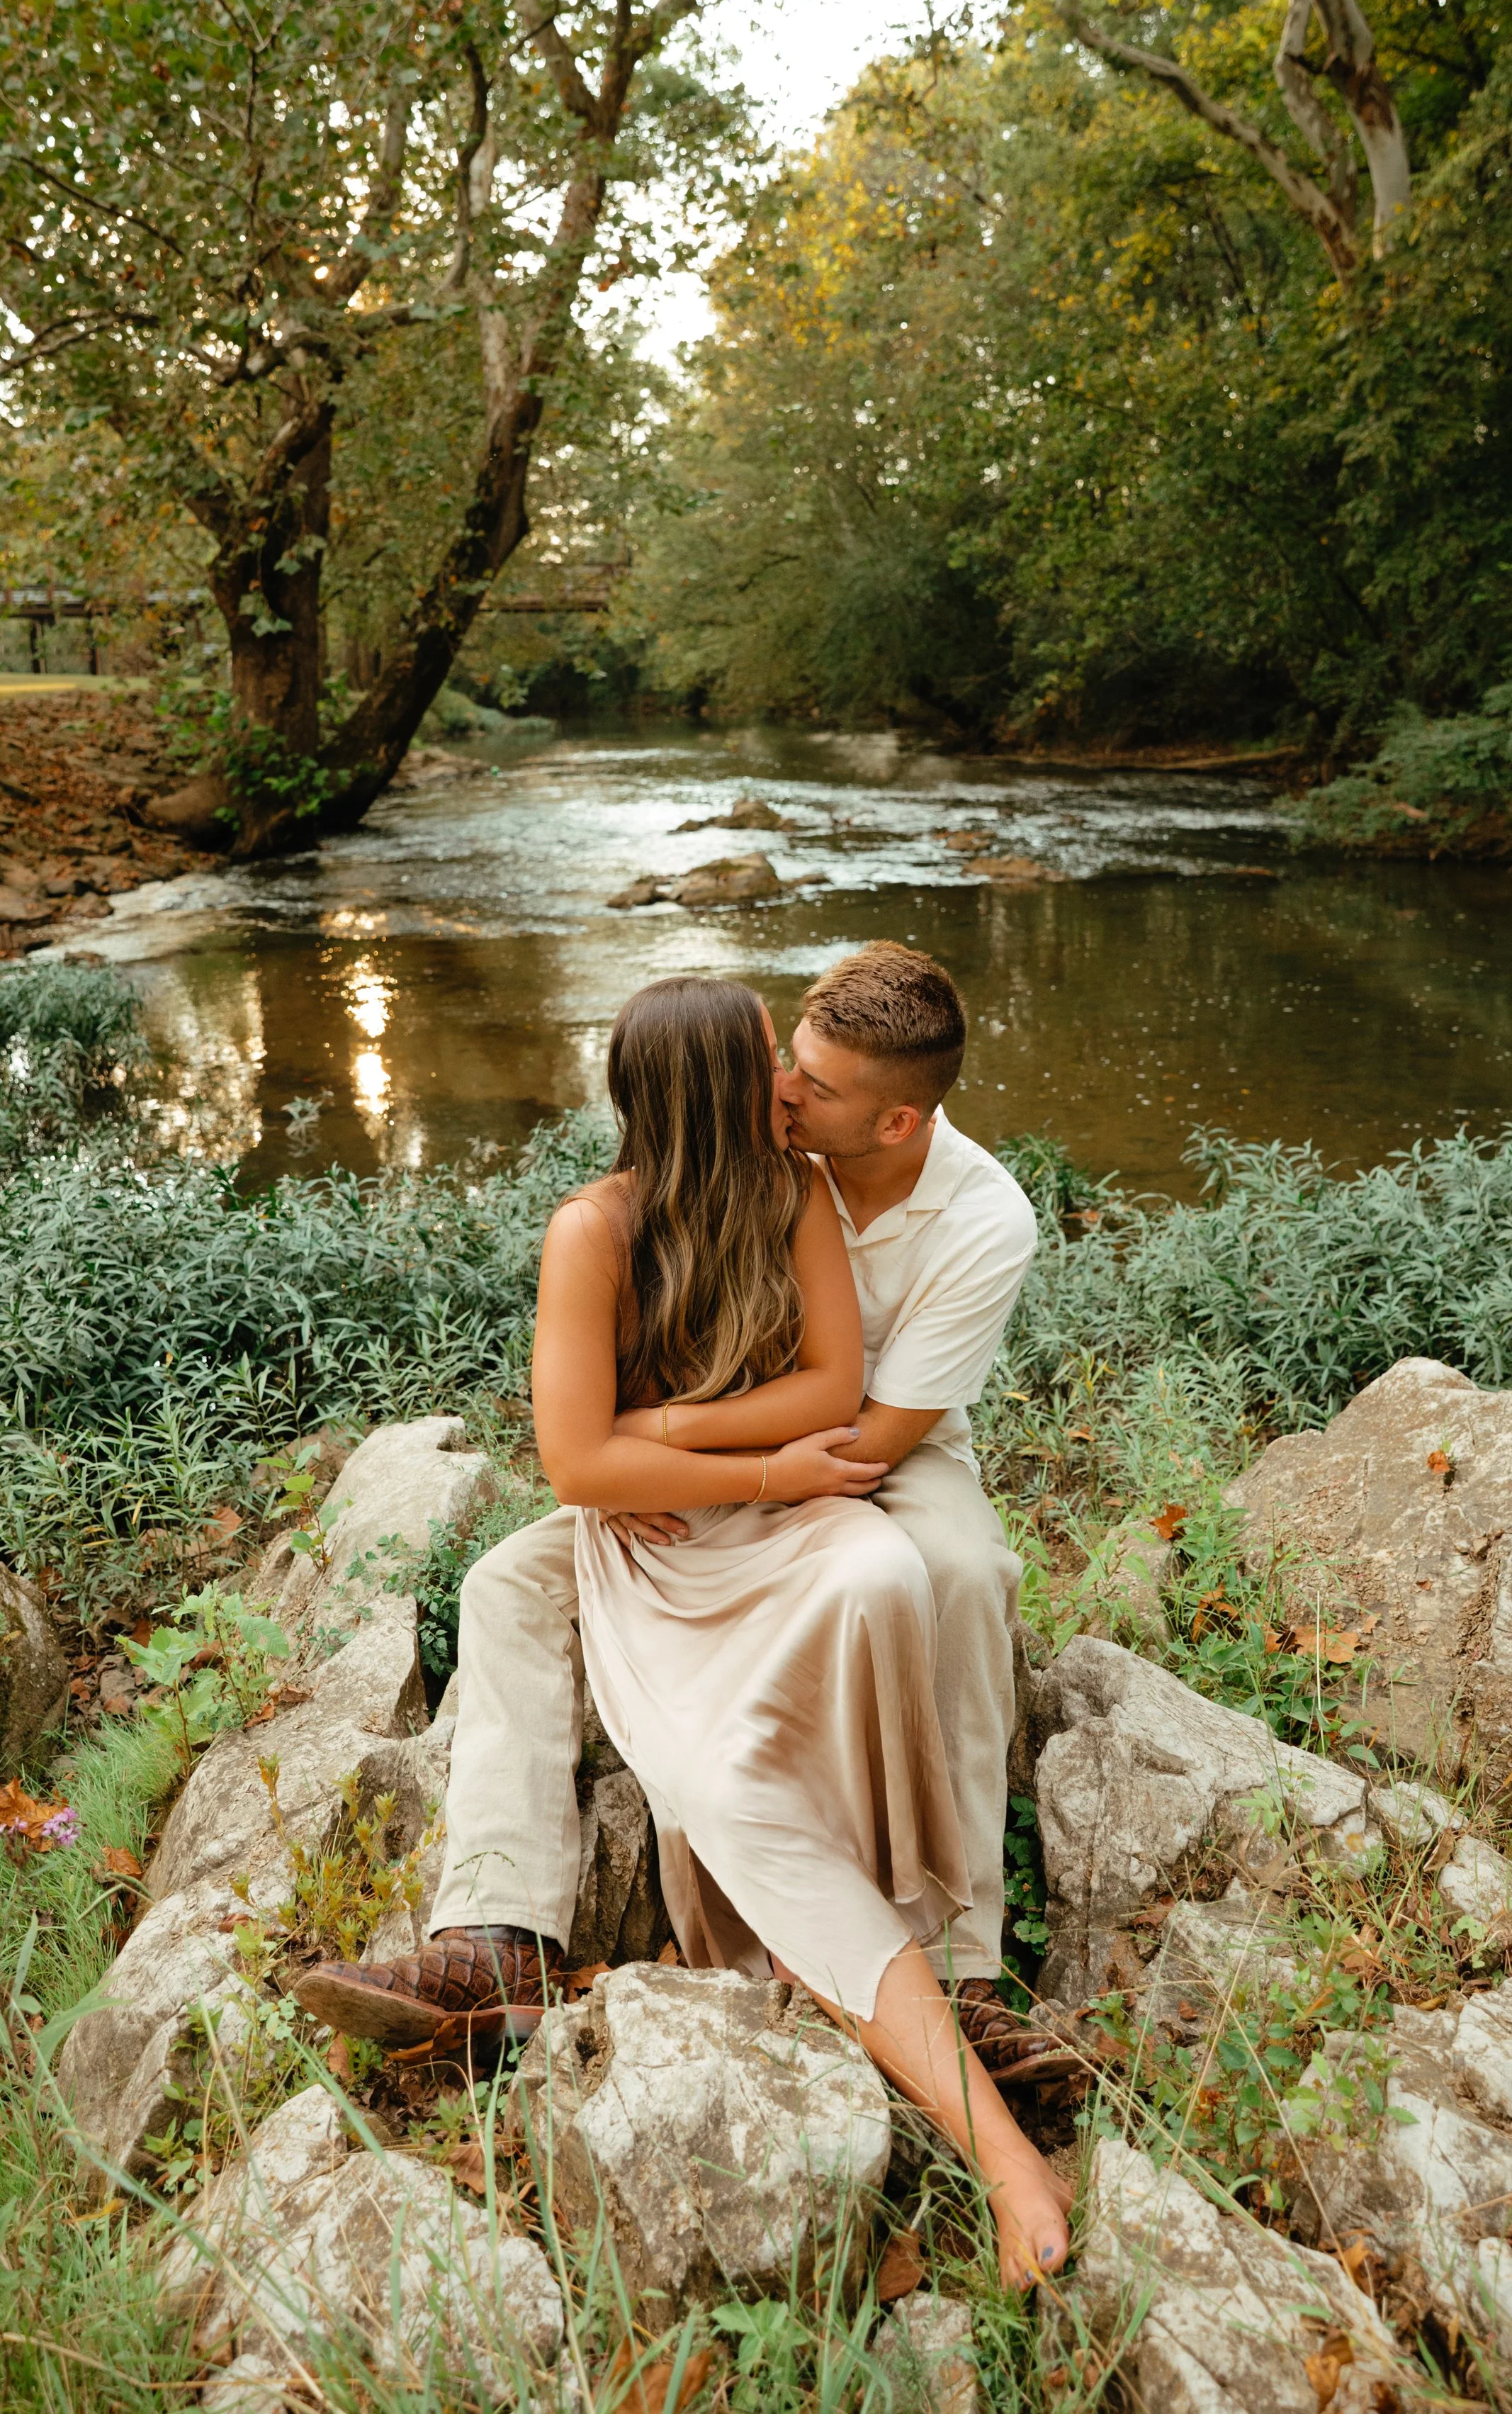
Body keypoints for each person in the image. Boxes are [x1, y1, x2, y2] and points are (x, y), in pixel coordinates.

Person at [308, 969, 1070, 2285]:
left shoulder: (943, 1209)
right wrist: (670, 1453)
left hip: (868, 1459)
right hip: (708, 1494)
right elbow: (577, 1461)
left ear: (889, 1122)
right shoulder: (647, 1210)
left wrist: (670, 1440)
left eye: (811, 1079)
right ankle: (494, 1937)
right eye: (779, 1060)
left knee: (941, 1567)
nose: (788, 1088)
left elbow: (864, 1419)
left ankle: (963, 1962)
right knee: (503, 1587)